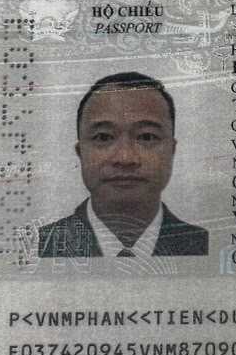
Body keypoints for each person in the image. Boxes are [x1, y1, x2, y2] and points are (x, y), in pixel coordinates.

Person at [38, 71, 208, 258]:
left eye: (146, 137)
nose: (125, 158)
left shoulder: (208, 245)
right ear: (80, 152)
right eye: (103, 137)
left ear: (172, 150)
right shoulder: (38, 247)